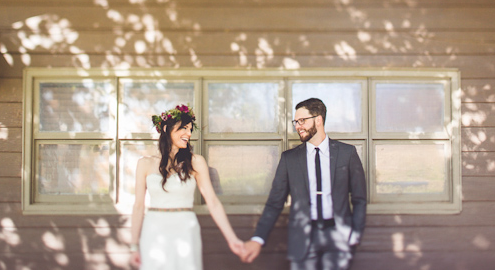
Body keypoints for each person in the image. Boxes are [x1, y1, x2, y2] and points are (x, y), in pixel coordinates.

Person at [240, 98, 367, 270]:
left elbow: (359, 198)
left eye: (302, 121)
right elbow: (274, 203)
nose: (297, 126)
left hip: (339, 240)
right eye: (295, 122)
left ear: (318, 120)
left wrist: (356, 233)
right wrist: (258, 238)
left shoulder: (347, 153)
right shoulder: (289, 159)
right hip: (303, 240)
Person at [129, 104, 244, 270]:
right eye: (183, 128)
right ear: (167, 129)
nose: (188, 134)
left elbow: (213, 202)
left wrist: (232, 239)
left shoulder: (196, 162)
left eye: (190, 129)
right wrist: (133, 246)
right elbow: (138, 206)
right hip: (154, 230)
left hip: (185, 230)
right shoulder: (144, 164)